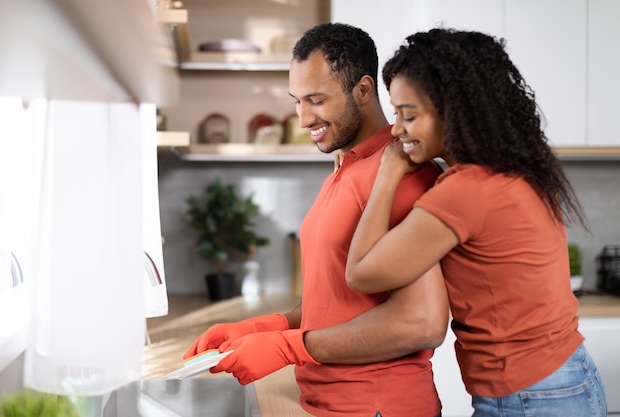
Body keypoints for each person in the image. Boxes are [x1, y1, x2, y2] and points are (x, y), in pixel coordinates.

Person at [183, 23, 448, 417]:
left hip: (377, 408)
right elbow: (337, 307)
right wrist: (265, 327)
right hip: (329, 405)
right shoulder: (347, 167)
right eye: (296, 101)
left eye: (316, 100)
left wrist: (287, 346)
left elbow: (421, 322)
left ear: (362, 90)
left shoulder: (399, 173)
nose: (304, 118)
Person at [345, 28, 608, 417]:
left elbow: (362, 273)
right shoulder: (510, 167)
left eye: (409, 115)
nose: (397, 130)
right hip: (563, 378)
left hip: (528, 396)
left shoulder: (466, 190)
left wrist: (387, 175)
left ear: (454, 112)